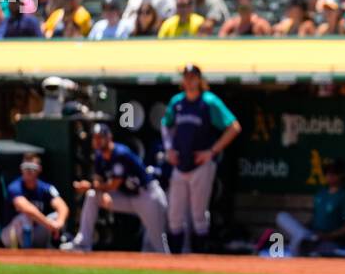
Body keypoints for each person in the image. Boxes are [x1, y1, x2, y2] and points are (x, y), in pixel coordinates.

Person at [161, 65, 241, 254]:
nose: (189, 81)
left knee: (198, 214)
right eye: (186, 77)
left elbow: (234, 127)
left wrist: (211, 152)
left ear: (199, 79)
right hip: (180, 164)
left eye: (193, 77)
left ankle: (200, 261)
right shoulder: (177, 102)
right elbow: (166, 125)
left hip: (201, 164)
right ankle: (174, 262)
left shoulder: (209, 101)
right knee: (174, 215)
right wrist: (168, 149)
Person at [61, 123, 170, 254]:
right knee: (92, 196)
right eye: (95, 137)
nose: (97, 141)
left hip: (147, 197)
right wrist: (99, 191)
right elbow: (98, 179)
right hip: (127, 197)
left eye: (100, 137)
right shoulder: (99, 155)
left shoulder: (120, 153)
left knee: (156, 245)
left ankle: (172, 265)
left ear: (109, 137)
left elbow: (114, 185)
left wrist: (91, 186)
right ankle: (82, 244)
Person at [275, 158, 345, 256]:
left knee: (301, 245)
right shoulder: (321, 194)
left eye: (334, 172)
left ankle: (300, 243)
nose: (330, 175)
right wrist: (305, 228)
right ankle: (302, 238)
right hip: (312, 235)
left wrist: (329, 236)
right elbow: (315, 219)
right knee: (282, 216)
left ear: (342, 174)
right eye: (327, 172)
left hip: (330, 241)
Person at [1, 154, 70, 249]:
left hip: (36, 232)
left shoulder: (46, 187)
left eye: (32, 167)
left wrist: (59, 224)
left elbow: (62, 206)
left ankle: (52, 250)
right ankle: (25, 253)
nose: (28, 171)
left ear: (39, 169)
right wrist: (49, 224)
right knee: (24, 217)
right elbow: (27, 209)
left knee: (56, 216)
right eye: (26, 167)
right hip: (10, 234)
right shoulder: (14, 187)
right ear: (21, 169)